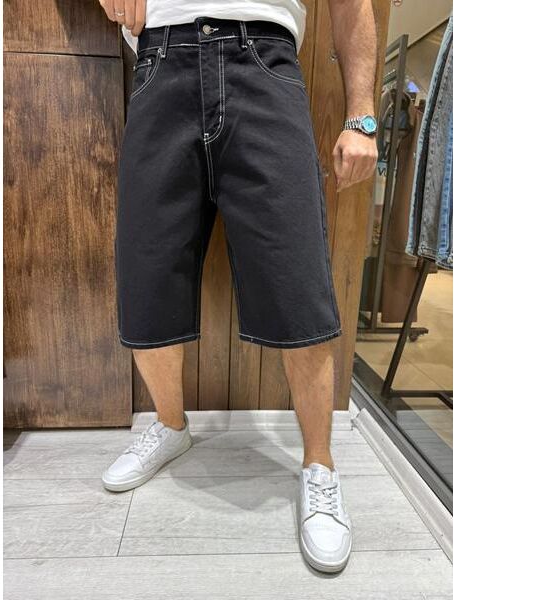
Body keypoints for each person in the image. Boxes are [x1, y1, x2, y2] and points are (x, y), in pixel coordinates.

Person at [98, 0, 378, 574]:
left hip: (264, 62)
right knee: (148, 268)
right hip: (159, 63)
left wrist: (362, 116)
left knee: (298, 278)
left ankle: (320, 466)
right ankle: (170, 426)